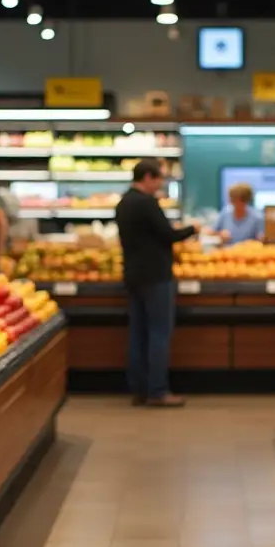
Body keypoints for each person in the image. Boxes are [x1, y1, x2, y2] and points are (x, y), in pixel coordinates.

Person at [115, 158, 196, 407]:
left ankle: (139, 389)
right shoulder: (146, 203)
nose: (160, 183)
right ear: (148, 177)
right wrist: (193, 229)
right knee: (159, 334)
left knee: (138, 334)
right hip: (156, 276)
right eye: (159, 178)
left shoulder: (124, 202)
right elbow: (168, 235)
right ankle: (158, 391)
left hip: (133, 275)